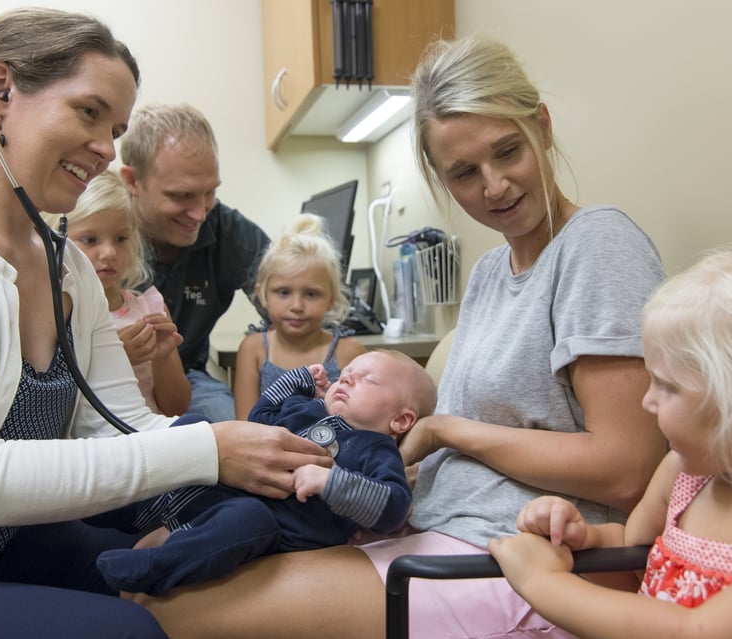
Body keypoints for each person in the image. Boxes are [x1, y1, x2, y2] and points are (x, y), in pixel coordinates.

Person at [132, 34, 668, 638]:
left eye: (508, 151)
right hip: (426, 525)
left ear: (542, 127)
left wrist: (443, 430)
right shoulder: (492, 271)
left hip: (520, 554)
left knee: (162, 614)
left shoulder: (597, 245)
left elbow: (628, 469)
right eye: (464, 173)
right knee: (157, 556)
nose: (493, 187)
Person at [0, 8, 330, 638]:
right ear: (0, 91)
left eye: (115, 128)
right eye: (89, 113)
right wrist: (206, 450)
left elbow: (123, 427)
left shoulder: (68, 268)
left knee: (236, 570)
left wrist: (246, 473)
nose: (106, 149)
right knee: (130, 630)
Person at [493, 234, 732, 637]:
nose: (647, 401)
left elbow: (690, 631)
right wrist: (580, 538)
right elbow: (634, 561)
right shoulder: (687, 477)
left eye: (666, 386)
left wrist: (541, 583)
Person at [94, 349, 437, 596]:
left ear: (401, 420)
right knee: (194, 426)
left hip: (271, 524)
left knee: (250, 519)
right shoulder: (306, 410)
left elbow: (392, 508)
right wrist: (296, 380)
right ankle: (111, 502)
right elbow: (260, 419)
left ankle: (156, 567)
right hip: (219, 484)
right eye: (346, 372)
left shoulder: (376, 450)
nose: (346, 377)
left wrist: (333, 483)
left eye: (368, 379)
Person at [119, 103, 271, 422]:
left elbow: (284, 293)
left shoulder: (225, 229)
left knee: (236, 438)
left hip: (189, 378)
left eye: (210, 193)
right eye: (181, 196)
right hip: (113, 382)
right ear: (132, 182)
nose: (200, 214)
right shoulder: (98, 232)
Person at [43, 170, 190, 417]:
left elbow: (176, 408)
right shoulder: (53, 315)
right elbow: (53, 410)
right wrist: (113, 360)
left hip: (148, 442)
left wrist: (163, 359)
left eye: (121, 238)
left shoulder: (151, 309)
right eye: (90, 239)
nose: (109, 252)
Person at [233, 212, 367, 419]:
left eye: (311, 294)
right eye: (284, 292)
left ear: (331, 299)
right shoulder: (253, 349)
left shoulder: (349, 352)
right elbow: (245, 425)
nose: (297, 306)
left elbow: (366, 422)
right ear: (262, 295)